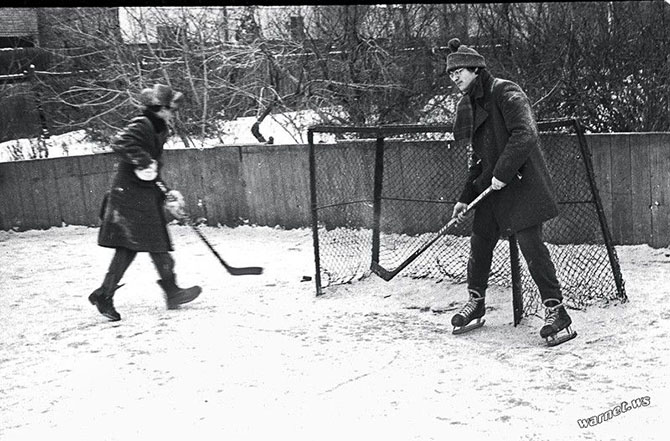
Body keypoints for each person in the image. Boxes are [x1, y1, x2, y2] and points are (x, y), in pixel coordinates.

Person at [445, 38, 576, 346]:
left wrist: (502, 173)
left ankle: (557, 312)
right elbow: (476, 158)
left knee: (532, 248)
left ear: (476, 69)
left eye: (459, 72)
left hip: (520, 185)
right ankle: (476, 302)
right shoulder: (470, 104)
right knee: (480, 244)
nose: (455, 79)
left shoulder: (505, 91)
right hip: (491, 188)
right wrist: (465, 196)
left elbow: (525, 133)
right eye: (451, 75)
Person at [88, 84, 201, 321]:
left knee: (143, 245)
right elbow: (120, 143)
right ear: (160, 108)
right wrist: (143, 161)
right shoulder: (143, 124)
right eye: (171, 109)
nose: (173, 114)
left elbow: (151, 168)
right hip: (130, 198)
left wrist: (165, 192)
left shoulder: (157, 128)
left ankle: (111, 293)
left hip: (141, 196)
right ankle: (167, 292)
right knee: (144, 245)